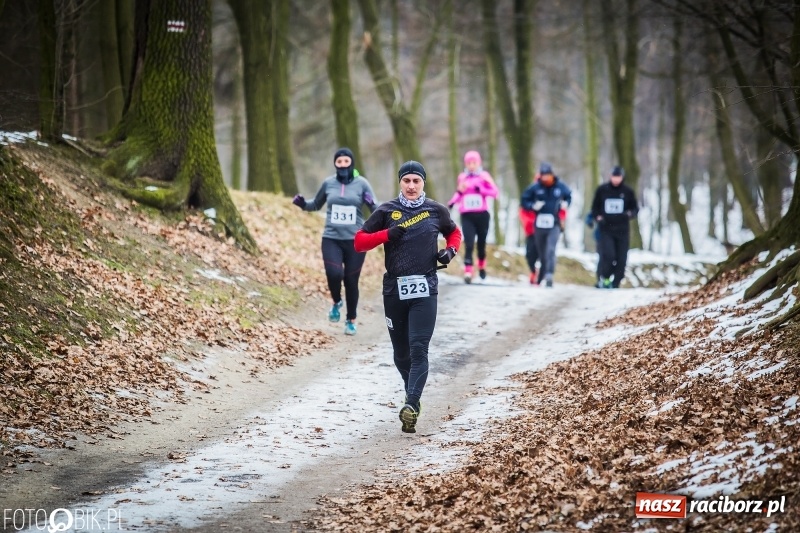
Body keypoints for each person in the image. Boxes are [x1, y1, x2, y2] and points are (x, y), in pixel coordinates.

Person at [354, 161, 462, 433]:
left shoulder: (436, 210)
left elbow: (454, 232)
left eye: (416, 181)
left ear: (423, 182)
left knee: (418, 348)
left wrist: (450, 252)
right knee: (401, 354)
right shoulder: (386, 211)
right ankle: (411, 391)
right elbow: (359, 242)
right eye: (407, 181)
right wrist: (386, 234)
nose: (412, 186)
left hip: (425, 287)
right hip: (394, 289)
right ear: (400, 182)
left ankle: (412, 404)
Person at [293, 148, 377, 335]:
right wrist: (302, 204)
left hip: (356, 239)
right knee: (334, 273)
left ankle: (351, 319)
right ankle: (337, 301)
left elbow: (375, 208)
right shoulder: (328, 183)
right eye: (339, 162)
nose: (343, 165)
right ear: (335, 164)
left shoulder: (362, 183)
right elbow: (315, 204)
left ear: (352, 162)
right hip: (331, 238)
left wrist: (372, 203)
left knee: (351, 280)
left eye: (346, 161)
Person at [447, 151, 498, 283]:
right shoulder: (462, 177)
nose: (471, 165)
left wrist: (480, 190)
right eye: (469, 163)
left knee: (481, 243)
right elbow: (459, 192)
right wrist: (452, 202)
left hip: (482, 215)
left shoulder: (484, 176)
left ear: (479, 163)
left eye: (474, 162)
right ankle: (468, 271)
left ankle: (481, 265)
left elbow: (495, 192)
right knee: (469, 243)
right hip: (467, 215)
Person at [520, 162, 572, 287]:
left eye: (547, 175)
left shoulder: (560, 187)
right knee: (542, 252)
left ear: (552, 175)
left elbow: (569, 195)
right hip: (539, 225)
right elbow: (524, 200)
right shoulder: (535, 188)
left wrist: (566, 204)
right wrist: (532, 206)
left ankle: (549, 274)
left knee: (550, 249)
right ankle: (540, 276)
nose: (545, 178)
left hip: (554, 224)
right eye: (543, 176)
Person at [590, 165, 639, 288]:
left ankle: (616, 282)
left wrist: (630, 214)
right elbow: (594, 208)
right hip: (606, 229)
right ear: (610, 177)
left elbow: (635, 208)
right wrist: (598, 217)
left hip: (622, 230)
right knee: (608, 255)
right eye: (614, 177)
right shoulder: (602, 190)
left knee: (621, 258)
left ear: (622, 177)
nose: (616, 179)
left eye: (618, 177)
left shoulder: (628, 192)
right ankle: (604, 278)